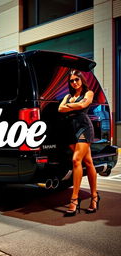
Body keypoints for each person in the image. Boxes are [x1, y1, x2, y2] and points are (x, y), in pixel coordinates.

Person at [58, 69, 100, 217]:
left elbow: (83, 106)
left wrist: (69, 106)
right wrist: (74, 105)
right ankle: (94, 197)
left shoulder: (88, 93)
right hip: (70, 130)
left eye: (77, 79)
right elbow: (59, 108)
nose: (74, 82)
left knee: (76, 160)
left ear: (81, 80)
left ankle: (74, 200)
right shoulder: (68, 96)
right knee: (88, 162)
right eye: (72, 80)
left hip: (84, 128)